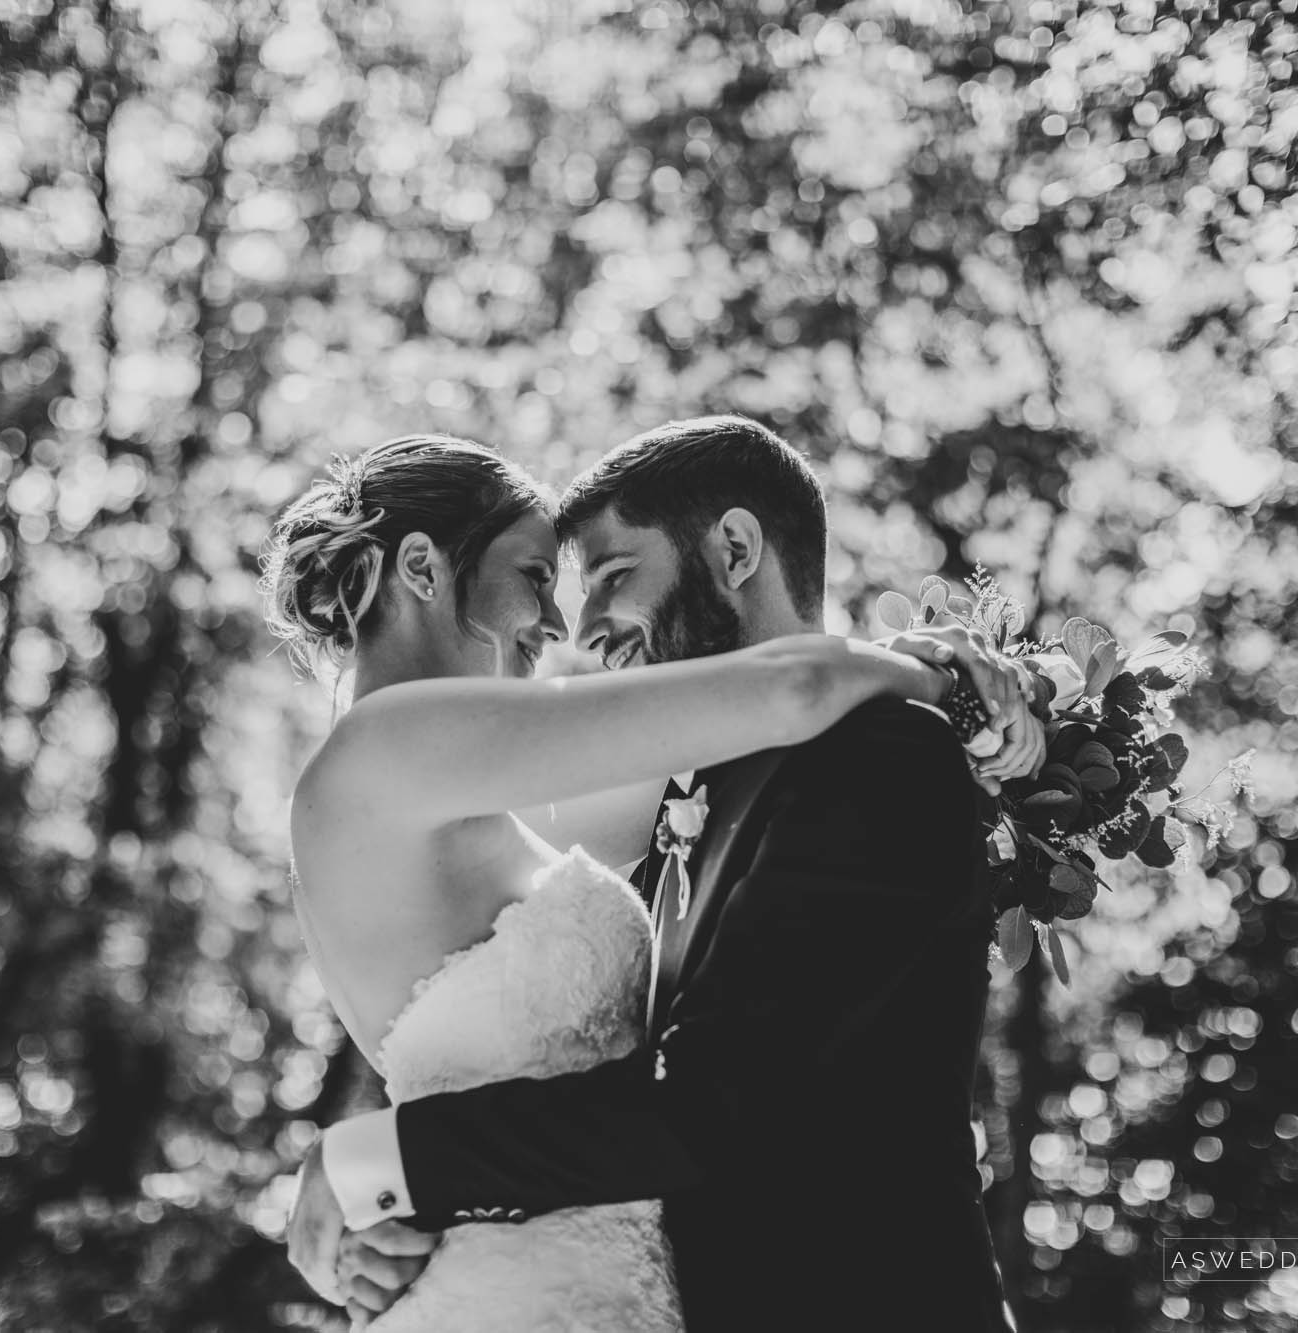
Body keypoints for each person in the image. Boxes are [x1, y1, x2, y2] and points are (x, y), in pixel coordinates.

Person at [276, 422, 1057, 1331]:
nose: (564, 624)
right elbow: (792, 691)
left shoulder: (489, 802)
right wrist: (941, 672)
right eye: (537, 575)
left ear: (736, 549)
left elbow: (754, 737)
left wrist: (380, 1174)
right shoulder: (388, 746)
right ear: (421, 568)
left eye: (606, 576)